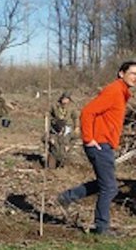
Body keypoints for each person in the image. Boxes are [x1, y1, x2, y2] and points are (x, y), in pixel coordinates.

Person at [57, 61, 136, 236]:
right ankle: (102, 228)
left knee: (106, 183)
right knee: (110, 187)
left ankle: (67, 197)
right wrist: (89, 138)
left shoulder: (122, 93)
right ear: (121, 73)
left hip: (105, 144)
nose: (135, 77)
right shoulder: (114, 91)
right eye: (132, 73)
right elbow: (87, 112)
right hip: (99, 144)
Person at [46, 91, 79, 168]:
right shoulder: (55, 106)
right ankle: (52, 161)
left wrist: (77, 126)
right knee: (53, 145)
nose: (65, 100)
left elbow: (76, 117)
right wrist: (47, 116)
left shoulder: (72, 107)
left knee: (65, 144)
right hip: (55, 127)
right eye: (64, 99)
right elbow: (48, 112)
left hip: (67, 126)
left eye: (67, 99)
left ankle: (63, 162)